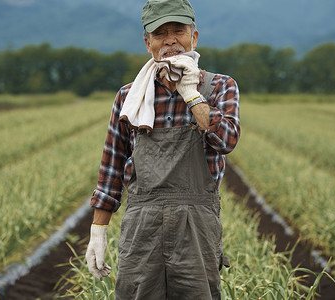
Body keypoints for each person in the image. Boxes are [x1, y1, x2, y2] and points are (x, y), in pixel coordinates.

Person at [85, 0, 240, 298]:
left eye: (178, 30)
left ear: (194, 36)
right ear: (148, 43)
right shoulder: (130, 97)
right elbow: (112, 165)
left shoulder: (219, 87)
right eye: (160, 33)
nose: (170, 40)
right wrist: (98, 230)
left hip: (195, 227)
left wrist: (191, 93)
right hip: (142, 227)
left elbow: (227, 140)